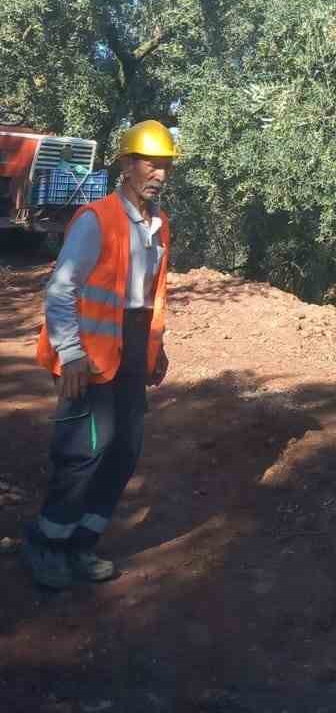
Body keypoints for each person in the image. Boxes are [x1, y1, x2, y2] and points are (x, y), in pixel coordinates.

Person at [22, 119, 175, 590]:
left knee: (124, 451)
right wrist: (69, 354)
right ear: (127, 165)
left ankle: (81, 545)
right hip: (88, 357)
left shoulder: (158, 226)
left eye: (166, 166)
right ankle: (46, 545)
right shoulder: (96, 219)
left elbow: (149, 295)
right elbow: (61, 290)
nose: (160, 174)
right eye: (152, 164)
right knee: (83, 452)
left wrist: (157, 348)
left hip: (130, 355)